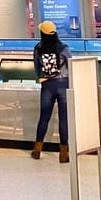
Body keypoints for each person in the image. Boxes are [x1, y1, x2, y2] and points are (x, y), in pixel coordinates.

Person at [31, 20, 73, 163]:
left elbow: (37, 68)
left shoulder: (38, 48)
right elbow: (71, 65)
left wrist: (42, 78)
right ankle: (63, 154)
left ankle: (37, 150)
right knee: (64, 119)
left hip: (47, 85)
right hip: (63, 84)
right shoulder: (63, 48)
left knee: (44, 117)